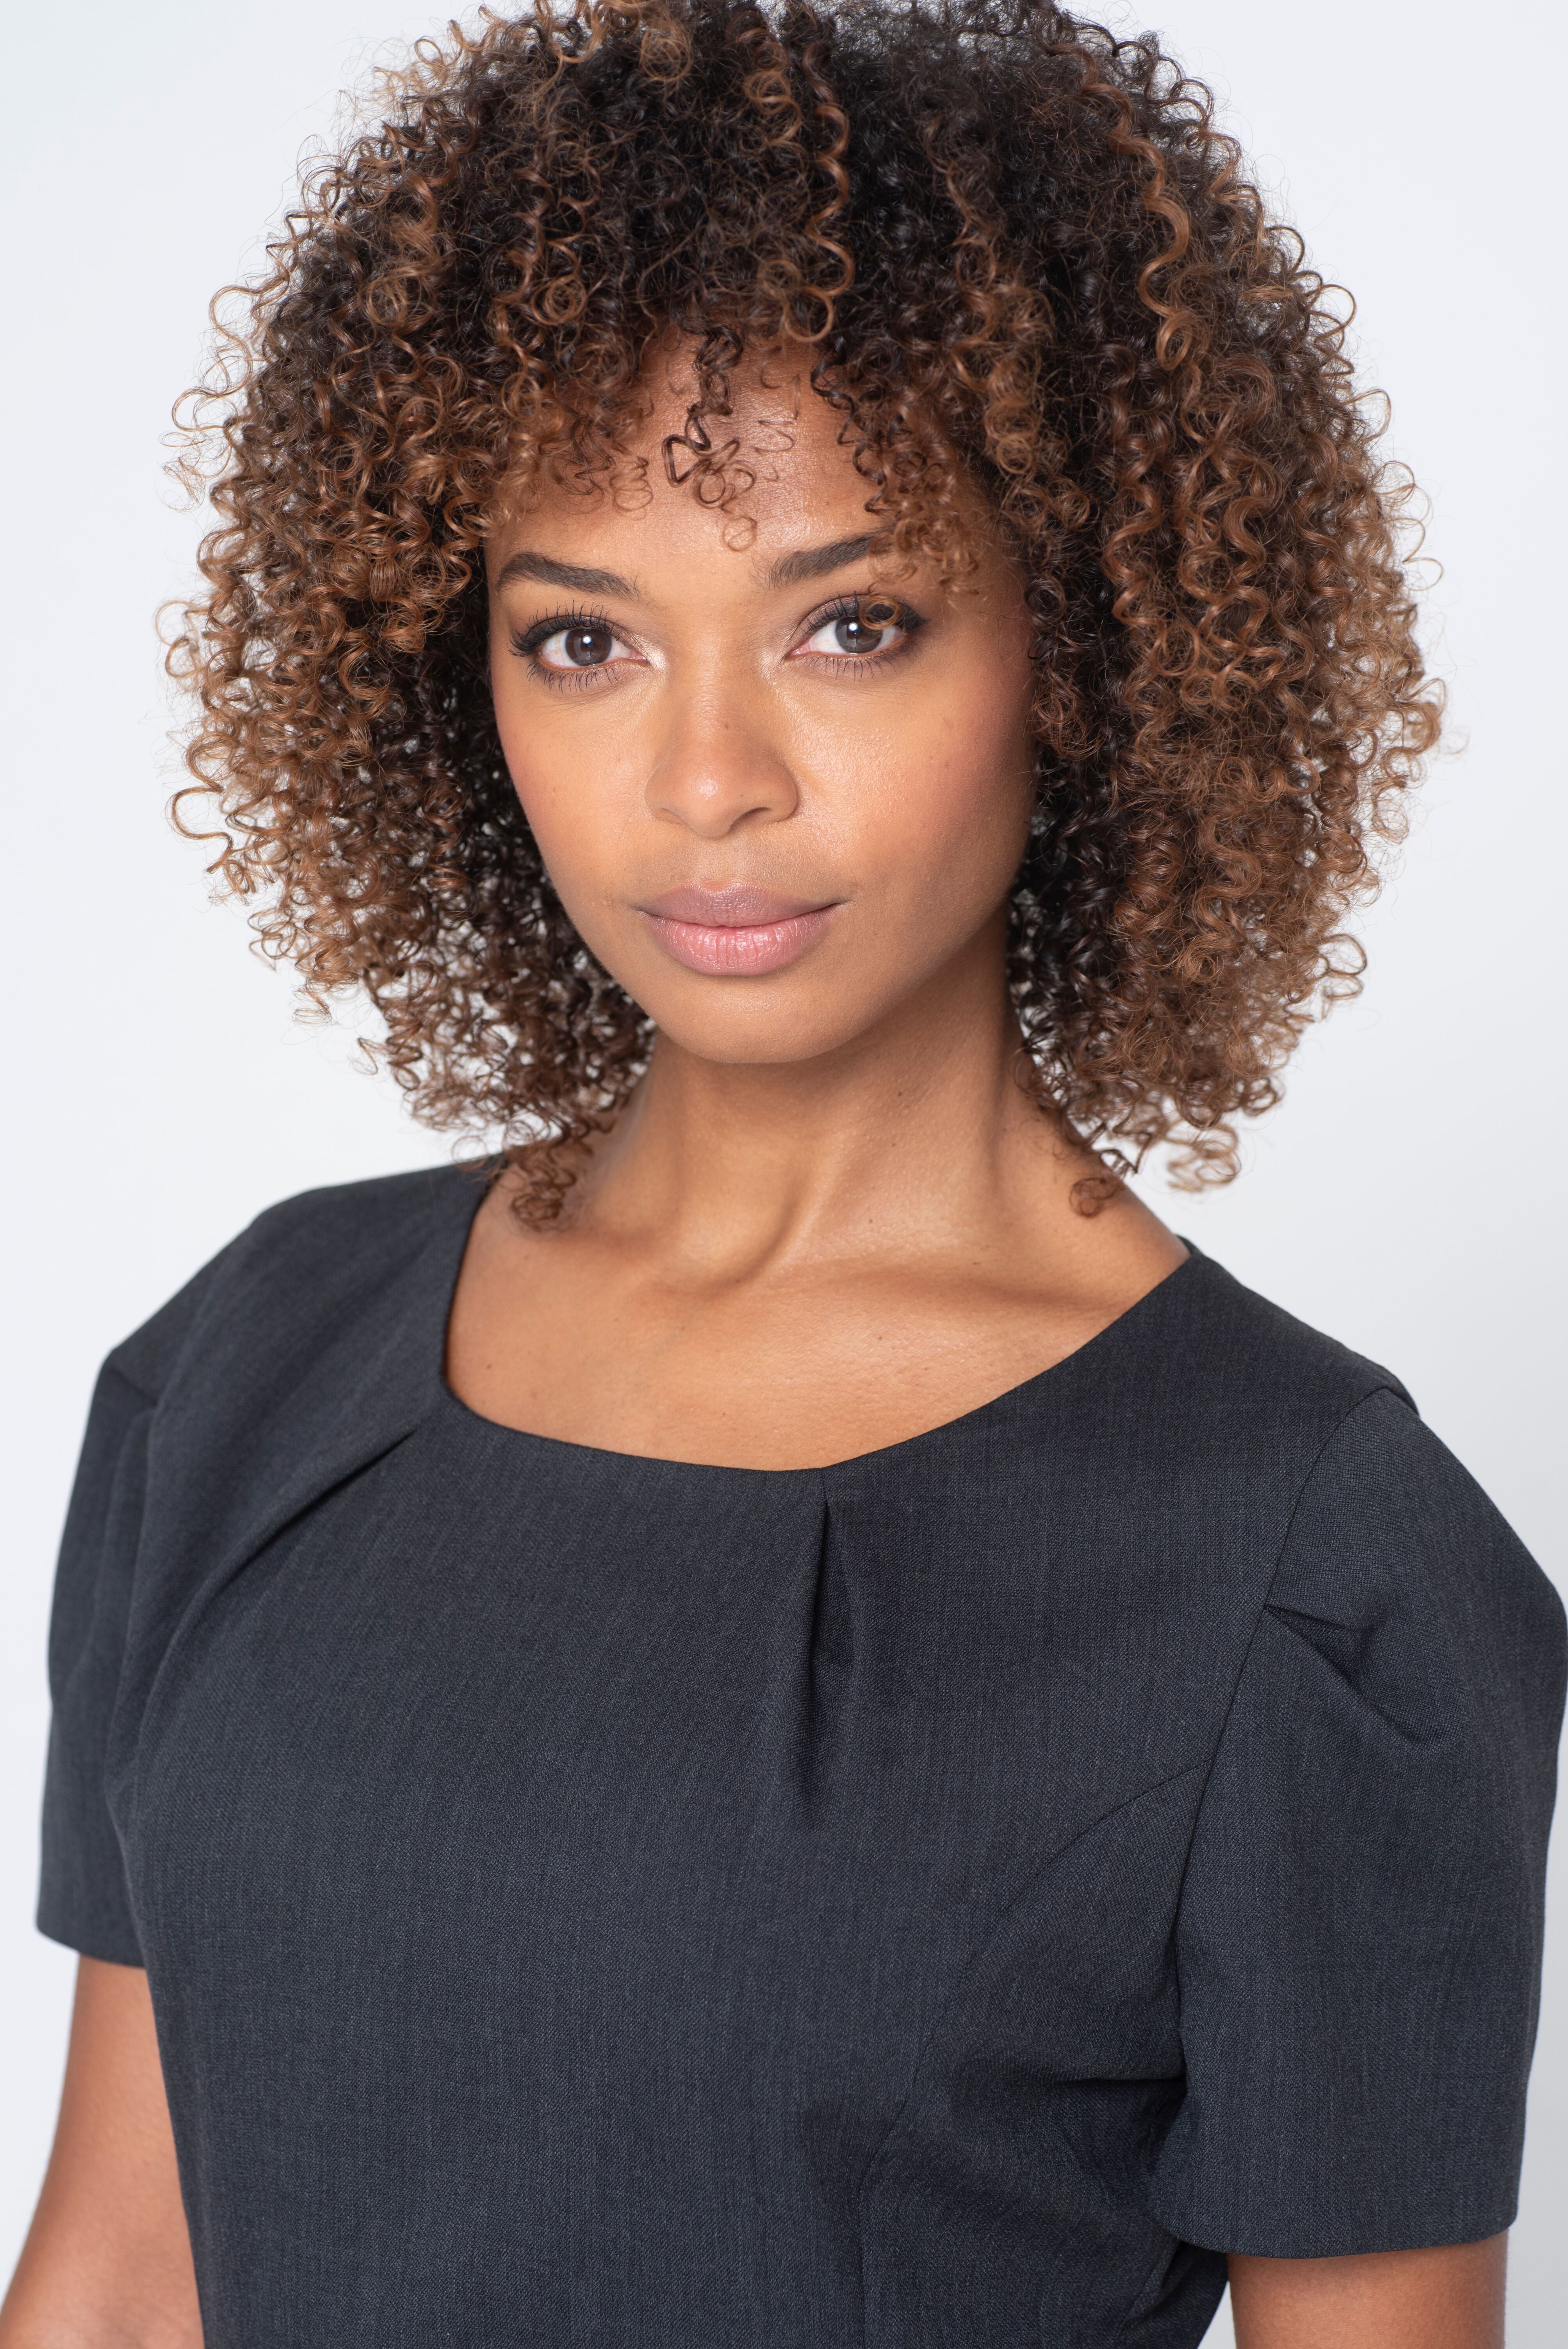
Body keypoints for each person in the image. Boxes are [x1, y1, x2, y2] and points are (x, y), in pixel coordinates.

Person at [4, 4, 1562, 2345]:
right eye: (583, 639)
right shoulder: (245, 1372)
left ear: (1083, 645)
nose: (707, 778)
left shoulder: (1308, 1566)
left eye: (852, 623)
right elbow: (121, 2288)